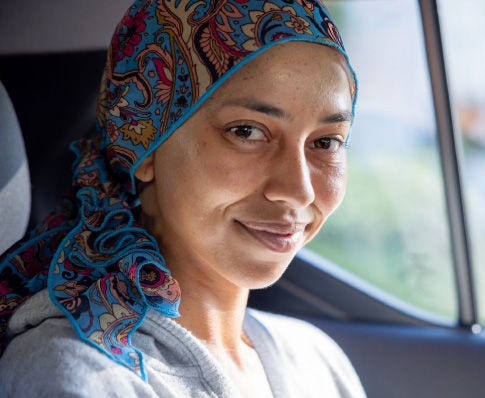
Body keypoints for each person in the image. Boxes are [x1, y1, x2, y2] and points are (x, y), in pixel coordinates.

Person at [0, 0, 365, 396]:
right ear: (146, 146)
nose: (299, 191)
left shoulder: (317, 362)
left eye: (326, 142)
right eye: (246, 132)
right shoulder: (79, 373)